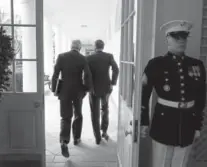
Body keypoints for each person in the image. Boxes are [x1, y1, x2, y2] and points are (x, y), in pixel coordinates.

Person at [140, 20, 206, 167]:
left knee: (181, 162)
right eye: (176, 37)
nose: (181, 41)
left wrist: (197, 125)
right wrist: (143, 122)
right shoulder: (156, 64)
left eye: (184, 37)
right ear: (167, 39)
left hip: (188, 122)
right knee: (161, 162)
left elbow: (201, 98)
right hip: (164, 121)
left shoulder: (197, 65)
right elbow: (144, 95)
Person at [51, 40, 92, 158]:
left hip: (64, 91)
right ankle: (77, 138)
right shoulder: (83, 58)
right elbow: (87, 75)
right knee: (78, 114)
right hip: (78, 91)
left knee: (65, 116)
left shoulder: (61, 56)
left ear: (71, 47)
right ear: (79, 48)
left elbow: (55, 74)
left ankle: (64, 140)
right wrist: (87, 89)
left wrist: (55, 89)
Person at [86, 39, 119, 144]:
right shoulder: (109, 56)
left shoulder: (89, 58)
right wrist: (113, 82)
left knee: (94, 112)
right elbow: (116, 69)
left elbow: (86, 74)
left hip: (93, 89)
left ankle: (97, 137)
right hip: (106, 88)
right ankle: (104, 131)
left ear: (95, 47)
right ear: (103, 47)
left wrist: (88, 86)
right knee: (105, 109)